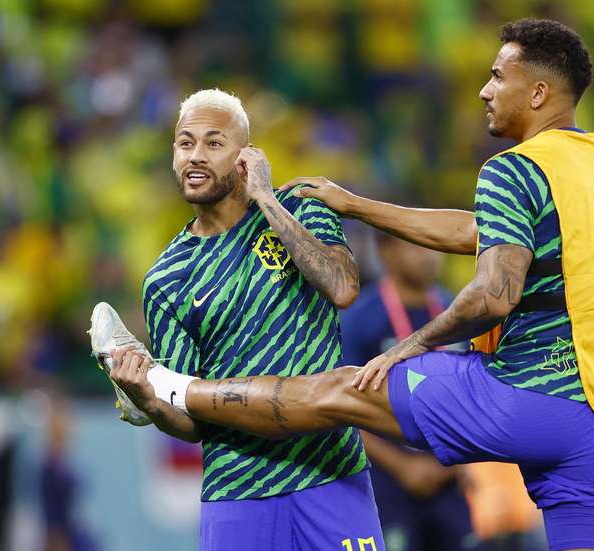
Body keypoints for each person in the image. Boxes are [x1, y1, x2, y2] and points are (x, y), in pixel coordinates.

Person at [102, 19, 594, 551]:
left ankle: (169, 382)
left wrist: (410, 346)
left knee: (346, 387)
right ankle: (160, 386)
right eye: (184, 143)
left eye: (497, 77)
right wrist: (357, 205)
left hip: (527, 397)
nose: (485, 91)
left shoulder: (515, 167)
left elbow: (492, 294)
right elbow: (477, 229)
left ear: (537, 93)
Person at [90, 88, 385, 551]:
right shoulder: (166, 279)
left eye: (214, 143)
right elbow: (191, 418)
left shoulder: (303, 208)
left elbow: (343, 287)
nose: (196, 156)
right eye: (185, 143)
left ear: (245, 155)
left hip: (331, 469)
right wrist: (146, 399)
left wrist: (267, 198)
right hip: (237, 489)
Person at [340, 233, 478, 551]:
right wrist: (404, 467)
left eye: (434, 245)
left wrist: (457, 465)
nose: (429, 255)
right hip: (386, 481)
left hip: (448, 480)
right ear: (386, 253)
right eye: (416, 245)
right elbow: (342, 407)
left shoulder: (458, 310)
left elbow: (478, 397)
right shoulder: (361, 318)